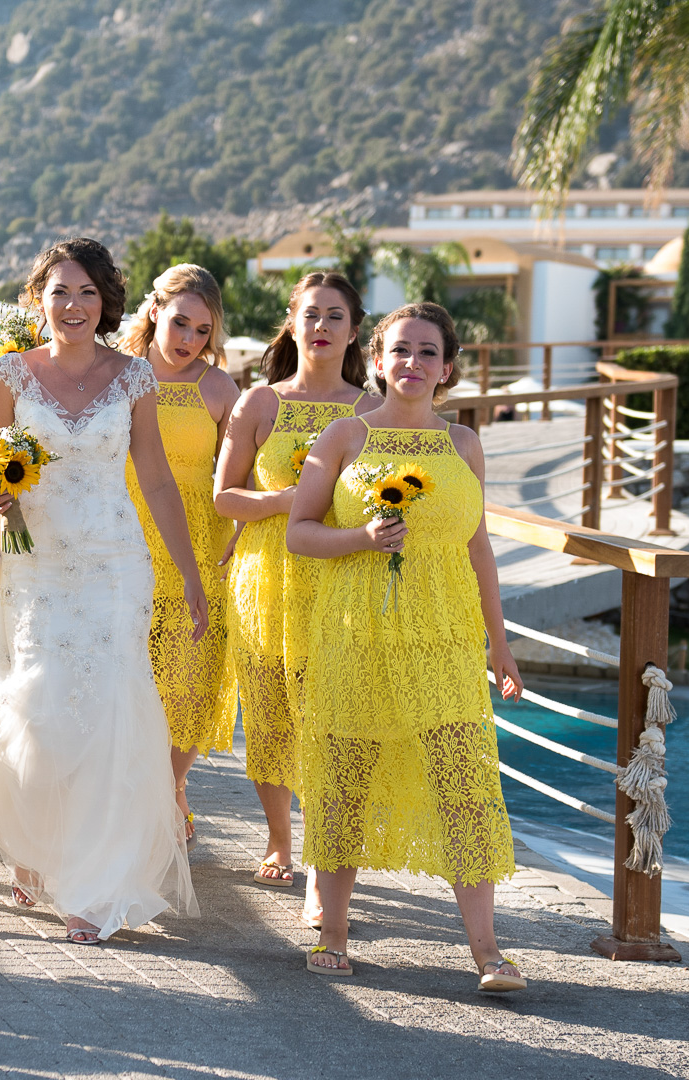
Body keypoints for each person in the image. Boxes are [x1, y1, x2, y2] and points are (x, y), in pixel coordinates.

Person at [286, 302, 527, 993]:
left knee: (464, 784)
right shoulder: (343, 437)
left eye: (427, 353)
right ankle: (333, 931)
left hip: (445, 640)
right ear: (379, 361)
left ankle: (487, 950)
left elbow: (478, 546)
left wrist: (499, 643)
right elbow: (301, 530)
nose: (413, 364)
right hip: (356, 634)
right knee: (345, 779)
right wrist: (360, 540)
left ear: (447, 367)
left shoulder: (464, 444)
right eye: (400, 351)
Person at [0, 237, 202, 944]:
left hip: (113, 564)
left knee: (109, 714)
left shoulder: (134, 377)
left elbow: (156, 479)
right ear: (37, 297)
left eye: (87, 293)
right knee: (36, 707)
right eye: (59, 291)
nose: (72, 306)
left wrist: (189, 574)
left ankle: (93, 885)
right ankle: (37, 850)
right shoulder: (11, 373)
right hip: (34, 564)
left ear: (106, 302)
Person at [213, 272, 376, 925]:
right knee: (273, 718)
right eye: (311, 314)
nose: (322, 327)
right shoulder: (259, 402)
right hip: (264, 578)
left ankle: (321, 866)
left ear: (354, 330)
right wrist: (288, 500)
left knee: (332, 723)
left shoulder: (370, 410)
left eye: (335, 316)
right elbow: (224, 497)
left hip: (338, 580)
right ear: (292, 321)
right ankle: (281, 839)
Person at [116, 264, 240, 851]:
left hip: (200, 544)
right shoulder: (116, 372)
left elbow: (243, 468)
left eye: (202, 330)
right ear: (154, 313)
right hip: (124, 542)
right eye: (180, 323)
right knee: (130, 682)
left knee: (192, 685)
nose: (188, 339)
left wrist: (243, 523)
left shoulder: (219, 388)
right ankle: (150, 800)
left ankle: (167, 788)